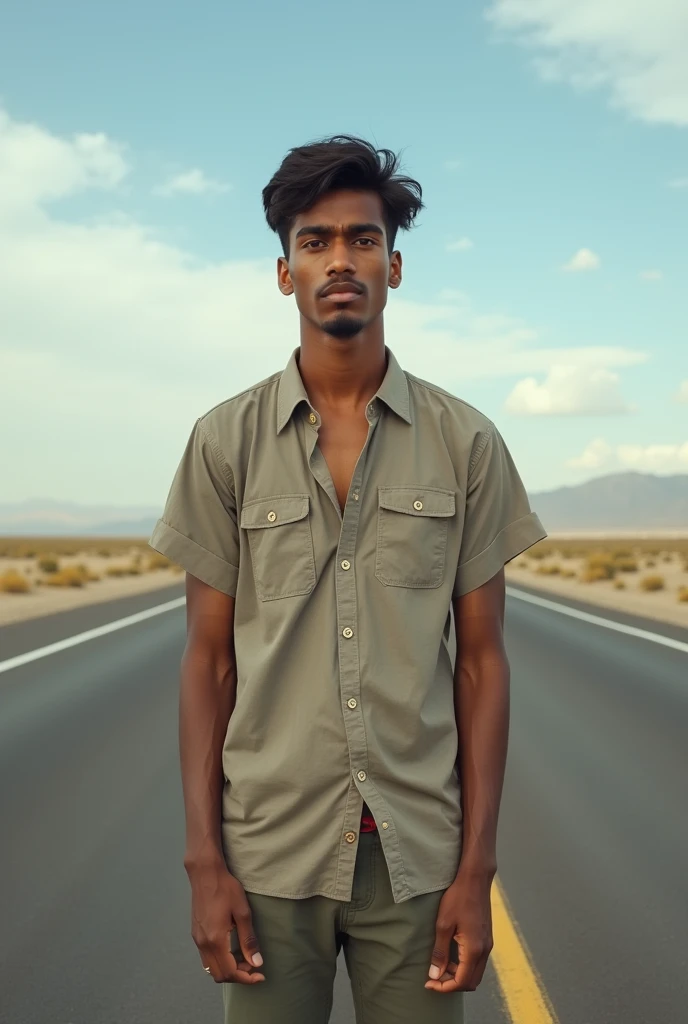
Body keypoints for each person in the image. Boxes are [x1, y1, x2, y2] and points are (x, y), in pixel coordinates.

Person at [149, 134, 547, 1024]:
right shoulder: (225, 442)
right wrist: (204, 864)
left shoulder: (466, 441)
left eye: (362, 240)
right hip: (269, 858)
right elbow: (208, 663)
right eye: (315, 241)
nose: (340, 260)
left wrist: (475, 870)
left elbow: (482, 664)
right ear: (284, 272)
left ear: (394, 267)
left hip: (414, 862)